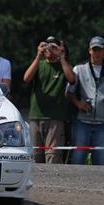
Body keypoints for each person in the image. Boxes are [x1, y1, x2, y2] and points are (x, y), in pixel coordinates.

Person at [65, 36, 104, 165]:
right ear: (89, 51)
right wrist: (79, 104)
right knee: (78, 159)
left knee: (101, 161)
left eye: (99, 50)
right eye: (94, 50)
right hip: (81, 122)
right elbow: (69, 93)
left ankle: (100, 184)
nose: (96, 53)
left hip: (103, 124)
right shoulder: (78, 69)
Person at [23, 36, 76, 164]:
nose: (50, 50)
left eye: (53, 47)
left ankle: (53, 183)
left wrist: (61, 57)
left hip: (55, 118)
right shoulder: (39, 65)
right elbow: (26, 78)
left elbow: (72, 79)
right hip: (36, 116)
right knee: (35, 156)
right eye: (47, 46)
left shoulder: (63, 66)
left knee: (53, 156)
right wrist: (38, 56)